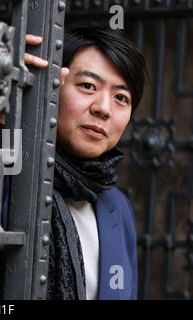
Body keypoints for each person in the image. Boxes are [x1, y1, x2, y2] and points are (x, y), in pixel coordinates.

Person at [18, 26, 146, 300]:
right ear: (53, 86)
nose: (103, 107)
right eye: (88, 86)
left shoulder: (117, 208)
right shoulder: (7, 169)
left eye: (121, 98)